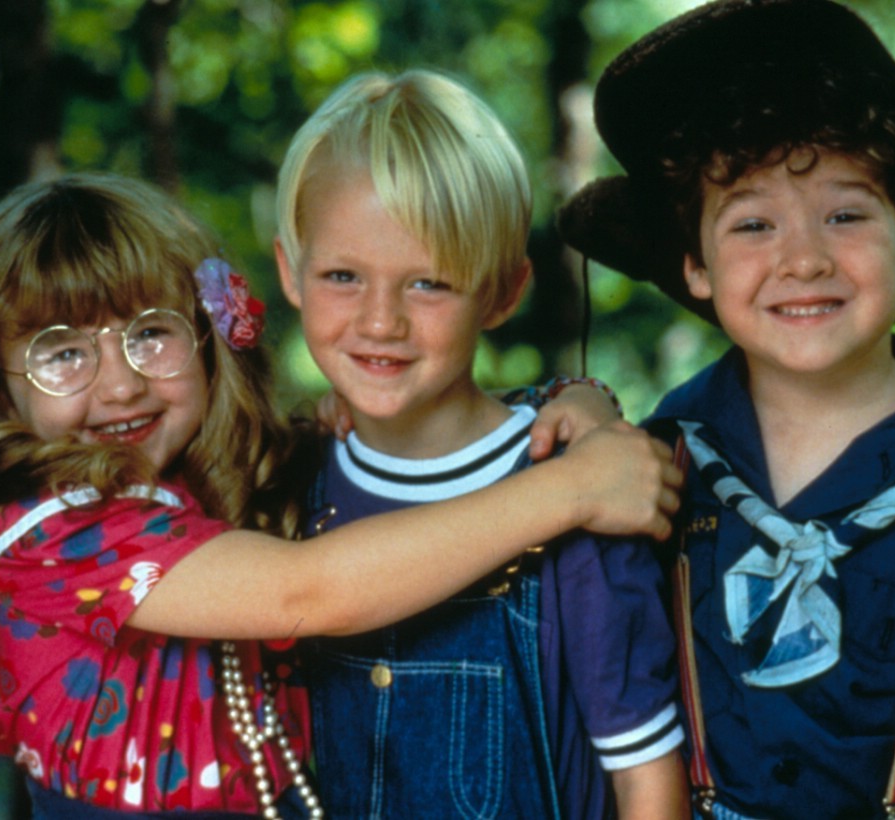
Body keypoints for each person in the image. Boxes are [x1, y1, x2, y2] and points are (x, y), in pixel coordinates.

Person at [0, 172, 684, 819]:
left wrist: (572, 400)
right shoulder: (50, 532)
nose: (120, 384)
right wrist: (569, 489)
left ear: (207, 332)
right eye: (62, 354)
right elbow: (307, 592)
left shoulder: (206, 481)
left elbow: (455, 431)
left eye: (150, 334)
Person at [556, 0, 895, 817]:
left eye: (845, 214)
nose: (803, 257)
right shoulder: (645, 473)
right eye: (751, 223)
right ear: (693, 266)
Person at [273, 69, 686, 820]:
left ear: (503, 291)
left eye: (428, 283)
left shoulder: (581, 486)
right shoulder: (287, 482)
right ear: (289, 272)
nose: (379, 321)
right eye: (342, 276)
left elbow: (645, 781)